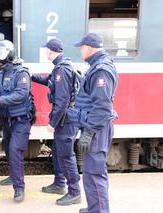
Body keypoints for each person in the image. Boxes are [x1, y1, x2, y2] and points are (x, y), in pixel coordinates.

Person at [31, 38, 82, 206]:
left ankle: (74, 192)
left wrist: (52, 123)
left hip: (66, 118)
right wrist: (30, 75)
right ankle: (59, 184)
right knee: (57, 150)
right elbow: (48, 81)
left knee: (67, 155)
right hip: (65, 116)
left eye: (46, 50)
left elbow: (62, 101)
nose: (45, 52)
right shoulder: (59, 67)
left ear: (50, 51)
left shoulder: (62, 70)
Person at [73, 33, 118, 213]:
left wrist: (89, 132)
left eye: (81, 47)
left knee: (95, 174)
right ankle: (94, 208)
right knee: (91, 174)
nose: (80, 51)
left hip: (97, 129)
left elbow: (102, 107)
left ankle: (99, 210)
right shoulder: (96, 67)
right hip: (94, 126)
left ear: (89, 48)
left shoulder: (101, 70)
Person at [0, 40, 35, 202]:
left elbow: (21, 94)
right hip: (7, 120)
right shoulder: (3, 73)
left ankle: (19, 188)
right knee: (7, 148)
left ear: (10, 57)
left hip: (21, 120)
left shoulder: (22, 73)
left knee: (14, 151)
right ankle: (13, 176)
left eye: (2, 61)